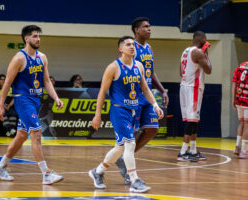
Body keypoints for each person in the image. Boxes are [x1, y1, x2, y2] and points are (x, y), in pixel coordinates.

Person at [89, 36, 164, 193]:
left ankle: (98, 172)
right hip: (118, 110)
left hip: (132, 110)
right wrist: (97, 115)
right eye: (128, 44)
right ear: (120, 49)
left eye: (133, 44)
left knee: (120, 148)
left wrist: (155, 105)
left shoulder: (139, 66)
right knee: (130, 144)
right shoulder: (113, 67)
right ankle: (135, 181)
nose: (132, 47)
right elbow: (102, 92)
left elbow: (145, 89)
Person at [0, 25, 64, 185]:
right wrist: (0, 105)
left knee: (21, 136)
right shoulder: (19, 58)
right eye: (34, 36)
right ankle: (46, 173)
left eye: (39, 36)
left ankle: (0, 167)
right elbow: (8, 83)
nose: (38, 39)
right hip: (23, 100)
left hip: (35, 100)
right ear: (26, 38)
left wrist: (56, 97)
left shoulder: (43, 57)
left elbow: (46, 80)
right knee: (37, 134)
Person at [115, 17, 169, 185]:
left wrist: (161, 90)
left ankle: (124, 159)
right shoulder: (131, 48)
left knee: (153, 129)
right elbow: (121, 68)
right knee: (133, 134)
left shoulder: (149, 48)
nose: (149, 29)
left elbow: (151, 72)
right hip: (133, 96)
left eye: (150, 26)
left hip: (147, 94)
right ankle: (129, 173)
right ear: (137, 30)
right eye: (146, 27)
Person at [178, 31, 212, 162]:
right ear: (201, 40)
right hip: (194, 88)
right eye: (206, 40)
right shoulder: (198, 52)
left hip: (184, 86)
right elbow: (209, 70)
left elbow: (181, 72)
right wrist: (206, 53)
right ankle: (182, 152)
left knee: (193, 120)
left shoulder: (185, 51)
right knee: (192, 121)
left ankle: (192, 150)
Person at [232, 61, 248, 158]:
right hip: (247, 100)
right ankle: (244, 150)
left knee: (241, 123)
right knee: (247, 124)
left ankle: (237, 147)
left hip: (239, 99)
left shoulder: (240, 66)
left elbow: (234, 83)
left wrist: (233, 99)